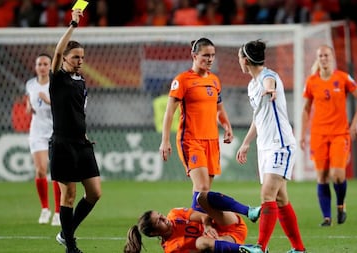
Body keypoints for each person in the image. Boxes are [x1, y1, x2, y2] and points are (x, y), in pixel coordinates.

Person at [235, 40, 306, 253]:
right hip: (264, 147)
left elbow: (270, 85)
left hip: (280, 144)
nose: (238, 61)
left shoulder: (268, 77)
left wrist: (270, 91)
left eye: (239, 57)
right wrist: (246, 143)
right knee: (281, 199)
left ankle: (260, 247)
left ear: (245, 60)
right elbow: (259, 117)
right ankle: (299, 249)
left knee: (267, 195)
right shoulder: (251, 85)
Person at [159, 37, 241, 214]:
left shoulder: (214, 80)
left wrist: (227, 126)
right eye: (205, 55)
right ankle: (197, 224)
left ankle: (197, 227)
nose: (210, 59)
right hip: (191, 140)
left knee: (204, 194)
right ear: (194, 55)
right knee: (202, 186)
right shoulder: (182, 80)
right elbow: (169, 112)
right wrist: (165, 141)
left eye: (212, 55)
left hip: (211, 140)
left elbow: (219, 109)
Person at [49, 9, 102, 253]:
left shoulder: (81, 82)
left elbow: (80, 114)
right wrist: (73, 24)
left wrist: (85, 135)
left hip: (81, 143)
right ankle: (71, 246)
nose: (80, 60)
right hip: (62, 144)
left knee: (94, 193)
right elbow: (57, 51)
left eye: (82, 57)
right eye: (76, 56)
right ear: (65, 58)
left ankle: (65, 232)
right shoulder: (57, 79)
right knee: (68, 194)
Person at [300, 44, 357, 227]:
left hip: (340, 133)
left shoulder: (343, 78)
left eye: (326, 55)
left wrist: (355, 122)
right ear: (318, 58)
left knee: (337, 174)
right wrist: (301, 134)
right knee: (321, 176)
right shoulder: (311, 81)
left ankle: (340, 204)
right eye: (320, 55)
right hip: (318, 134)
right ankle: (327, 217)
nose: (323, 58)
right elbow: (306, 109)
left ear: (332, 57)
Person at [124, 191, 258, 253]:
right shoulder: (171, 249)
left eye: (160, 215)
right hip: (226, 241)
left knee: (202, 197)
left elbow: (203, 216)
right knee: (201, 242)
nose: (164, 218)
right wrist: (209, 241)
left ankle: (248, 211)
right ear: (154, 233)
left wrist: (207, 226)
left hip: (226, 223)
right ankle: (249, 250)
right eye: (159, 221)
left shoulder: (174, 214)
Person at [25, 53, 61, 226]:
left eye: (46, 64)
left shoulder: (55, 84)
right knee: (40, 170)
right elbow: (29, 102)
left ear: (50, 66)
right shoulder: (30, 84)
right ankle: (45, 209)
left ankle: (58, 212)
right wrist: (28, 107)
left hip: (55, 131)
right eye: (39, 64)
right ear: (35, 67)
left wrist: (48, 101)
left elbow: (62, 106)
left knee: (56, 171)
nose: (43, 67)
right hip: (37, 131)